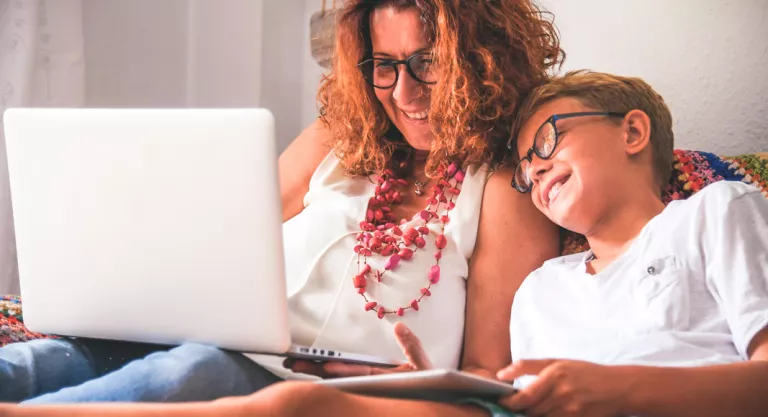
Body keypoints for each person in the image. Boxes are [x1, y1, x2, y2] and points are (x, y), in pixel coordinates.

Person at [0, 0, 562, 406]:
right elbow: (224, 237)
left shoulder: (504, 190)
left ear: (485, 62)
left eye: (429, 62)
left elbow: (486, 375)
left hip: (313, 388)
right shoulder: (339, 140)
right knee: (35, 362)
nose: (403, 93)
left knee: (189, 371)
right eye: (384, 66)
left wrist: (414, 384)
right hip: (214, 340)